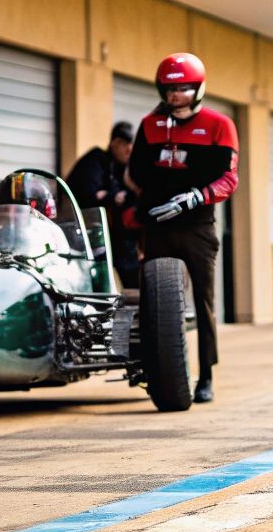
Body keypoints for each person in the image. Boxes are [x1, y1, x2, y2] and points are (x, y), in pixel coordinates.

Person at [125, 53, 238, 405]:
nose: (177, 95)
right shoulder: (149, 125)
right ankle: (154, 370)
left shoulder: (219, 124)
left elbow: (229, 179)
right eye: (170, 89)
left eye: (185, 88)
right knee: (152, 301)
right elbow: (135, 173)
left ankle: (206, 376)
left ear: (198, 88)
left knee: (203, 302)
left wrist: (196, 196)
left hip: (197, 227)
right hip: (157, 224)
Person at [67, 122, 139, 287]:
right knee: (97, 281)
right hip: (91, 234)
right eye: (125, 146)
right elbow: (88, 194)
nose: (129, 151)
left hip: (121, 236)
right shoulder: (96, 160)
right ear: (115, 143)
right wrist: (112, 197)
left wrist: (109, 195)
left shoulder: (126, 168)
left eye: (131, 146)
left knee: (134, 280)